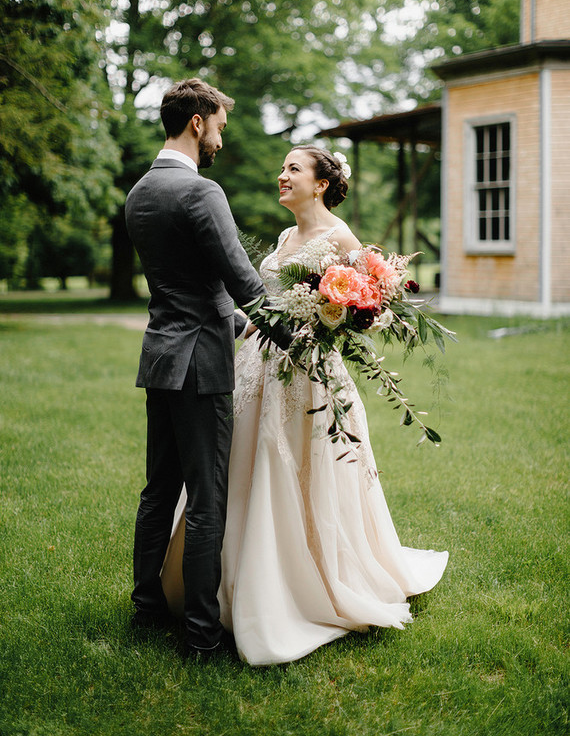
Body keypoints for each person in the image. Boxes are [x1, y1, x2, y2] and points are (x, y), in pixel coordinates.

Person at [161, 144, 448, 666]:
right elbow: (267, 302)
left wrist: (339, 318)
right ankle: (228, 581)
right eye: (282, 167)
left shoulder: (340, 236)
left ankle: (301, 582)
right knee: (239, 467)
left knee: (300, 470)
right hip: (257, 366)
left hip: (308, 372)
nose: (282, 175)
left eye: (293, 168)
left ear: (320, 184)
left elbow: (377, 303)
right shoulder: (284, 237)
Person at [125, 78, 290, 658]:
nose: (221, 138)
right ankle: (200, 633)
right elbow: (243, 280)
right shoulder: (201, 192)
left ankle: (146, 608)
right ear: (197, 122)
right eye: (219, 126)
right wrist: (296, 336)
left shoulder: (140, 192)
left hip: (160, 355)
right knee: (206, 499)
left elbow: (188, 283)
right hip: (199, 364)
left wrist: (238, 321)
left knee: (158, 491)